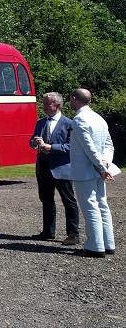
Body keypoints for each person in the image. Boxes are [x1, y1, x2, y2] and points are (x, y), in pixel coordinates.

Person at [67, 88, 116, 258]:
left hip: (85, 171)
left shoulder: (80, 119)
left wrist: (101, 166)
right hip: (98, 168)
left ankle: (95, 246)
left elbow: (89, 147)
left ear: (74, 99)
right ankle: (108, 243)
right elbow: (109, 145)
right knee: (102, 205)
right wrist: (105, 163)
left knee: (90, 207)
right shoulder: (99, 118)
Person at [29, 91, 79, 245]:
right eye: (43, 104)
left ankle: (73, 234)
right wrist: (34, 142)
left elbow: (71, 147)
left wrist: (52, 147)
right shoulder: (41, 122)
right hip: (43, 166)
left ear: (57, 105)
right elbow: (31, 141)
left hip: (61, 168)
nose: (43, 107)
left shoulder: (69, 124)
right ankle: (48, 231)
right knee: (46, 200)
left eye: (46, 104)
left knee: (68, 201)